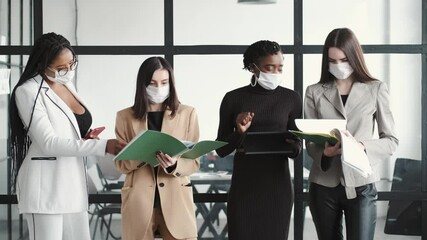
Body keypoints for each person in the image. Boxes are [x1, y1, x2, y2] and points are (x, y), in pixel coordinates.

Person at [9, 32, 126, 240]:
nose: (69, 71)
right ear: (42, 64)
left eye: (72, 64)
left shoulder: (67, 85)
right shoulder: (27, 92)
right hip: (46, 188)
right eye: (61, 68)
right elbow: (49, 143)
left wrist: (86, 140)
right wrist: (103, 147)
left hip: (73, 185)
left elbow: (67, 129)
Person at [304, 28, 399, 240]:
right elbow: (310, 143)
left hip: (361, 185)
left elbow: (391, 141)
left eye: (343, 59)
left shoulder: (376, 89)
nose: (338, 66)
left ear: (354, 56)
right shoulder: (314, 92)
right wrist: (325, 153)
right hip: (323, 185)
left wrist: (362, 146)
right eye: (332, 61)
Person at [215, 40, 302, 240]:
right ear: (253, 67)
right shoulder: (233, 98)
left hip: (277, 186)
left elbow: (297, 145)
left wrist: (292, 146)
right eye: (269, 68)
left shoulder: (291, 99)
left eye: (280, 68)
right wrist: (239, 131)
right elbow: (221, 150)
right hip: (245, 186)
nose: (275, 73)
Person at [115, 57, 200, 240]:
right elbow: (120, 164)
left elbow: (193, 162)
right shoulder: (124, 117)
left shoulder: (188, 114)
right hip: (139, 200)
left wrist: (174, 165)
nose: (159, 88)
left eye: (164, 82)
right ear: (143, 85)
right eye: (152, 83)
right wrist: (141, 154)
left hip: (176, 199)